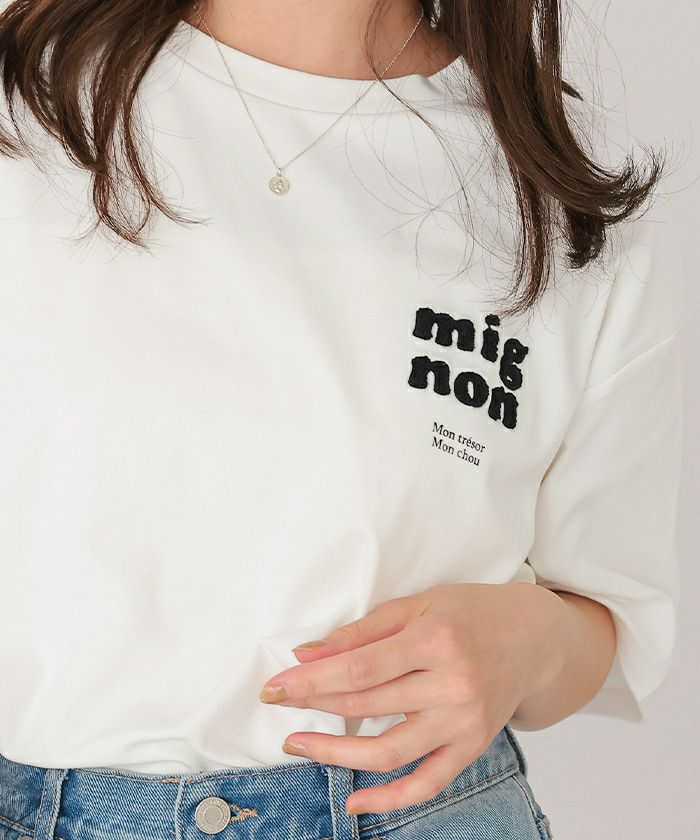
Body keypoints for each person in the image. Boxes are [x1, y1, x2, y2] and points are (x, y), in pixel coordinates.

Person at [0, 0, 685, 838]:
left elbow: (610, 612)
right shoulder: (25, 102)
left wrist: (532, 639)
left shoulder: (558, 187)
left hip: (414, 812)